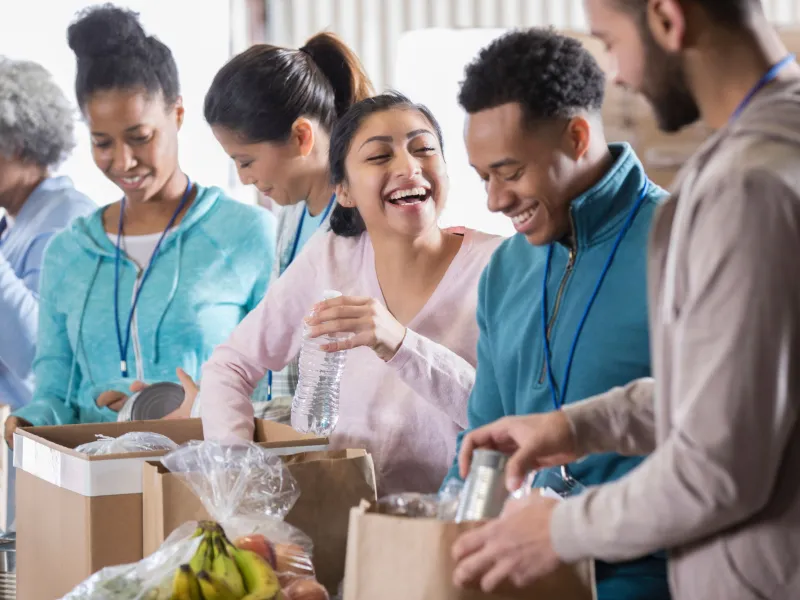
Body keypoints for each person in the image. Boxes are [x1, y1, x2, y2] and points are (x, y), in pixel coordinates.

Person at [452, 2, 800, 599]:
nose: (618, 75)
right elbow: (727, 394)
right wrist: (579, 424)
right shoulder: (768, 152)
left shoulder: (747, 187)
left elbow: (716, 466)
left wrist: (558, 530)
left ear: (668, 19)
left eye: (612, 42)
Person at [441, 29, 670, 600]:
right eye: (482, 177)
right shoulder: (504, 270)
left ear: (576, 136)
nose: (494, 200)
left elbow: (723, 433)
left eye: (510, 172)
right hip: (528, 577)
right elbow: (482, 447)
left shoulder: (683, 242)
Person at [196, 92, 503, 495]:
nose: (409, 166)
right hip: (340, 519)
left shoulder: (499, 265)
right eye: (379, 157)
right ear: (343, 190)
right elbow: (230, 366)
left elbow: (511, 418)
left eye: (424, 149)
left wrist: (400, 343)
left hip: (452, 532)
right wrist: (237, 476)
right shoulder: (333, 255)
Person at [4, 5, 276, 445]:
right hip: (97, 494)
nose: (124, 162)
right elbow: (52, 390)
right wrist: (30, 422)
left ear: (178, 114)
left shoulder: (245, 233)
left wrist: (206, 407)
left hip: (207, 488)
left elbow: (281, 386)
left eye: (140, 137)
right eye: (102, 143)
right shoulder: (68, 252)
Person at [203, 31, 373, 415]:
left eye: (246, 161)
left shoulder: (362, 225)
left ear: (301, 136)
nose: (244, 178)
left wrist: (213, 409)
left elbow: (343, 389)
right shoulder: (291, 215)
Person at [0, 57, 95, 411]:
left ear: (17, 145)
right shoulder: (15, 224)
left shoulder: (69, 220)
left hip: (36, 442)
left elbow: (37, 353)